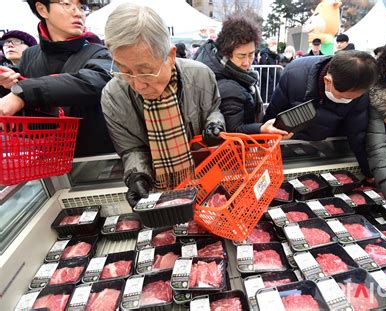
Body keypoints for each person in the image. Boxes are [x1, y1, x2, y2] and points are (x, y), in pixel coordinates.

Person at [264, 50, 386, 223]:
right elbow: (270, 121)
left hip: (328, 150)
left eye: (354, 98)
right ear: (328, 81)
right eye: (343, 97)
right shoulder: (294, 75)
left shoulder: (360, 90)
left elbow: (366, 140)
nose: (348, 101)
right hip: (290, 146)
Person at [100, 3, 225, 207]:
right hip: (158, 197)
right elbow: (131, 149)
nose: (138, 84)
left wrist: (215, 124)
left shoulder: (201, 76)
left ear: (170, 55)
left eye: (146, 71)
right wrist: (137, 177)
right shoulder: (113, 96)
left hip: (206, 182)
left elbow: (213, 110)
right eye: (125, 71)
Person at [0, 0, 114, 157]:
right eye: (67, 4)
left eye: (81, 7)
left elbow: (93, 82)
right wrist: (7, 84)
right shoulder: (30, 55)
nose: (78, 13)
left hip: (94, 163)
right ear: (42, 9)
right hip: (46, 163)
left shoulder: (100, 53)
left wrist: (22, 93)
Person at [194, 14, 290, 137]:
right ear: (226, 54)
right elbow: (232, 130)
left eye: (251, 54)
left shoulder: (233, 73)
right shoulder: (229, 87)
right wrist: (261, 129)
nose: (247, 62)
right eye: (241, 56)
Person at [258, 37, 280, 103]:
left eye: (276, 44)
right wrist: (270, 81)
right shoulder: (265, 54)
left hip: (274, 82)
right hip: (267, 83)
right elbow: (264, 68)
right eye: (273, 43)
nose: (274, 45)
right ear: (269, 44)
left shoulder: (275, 55)